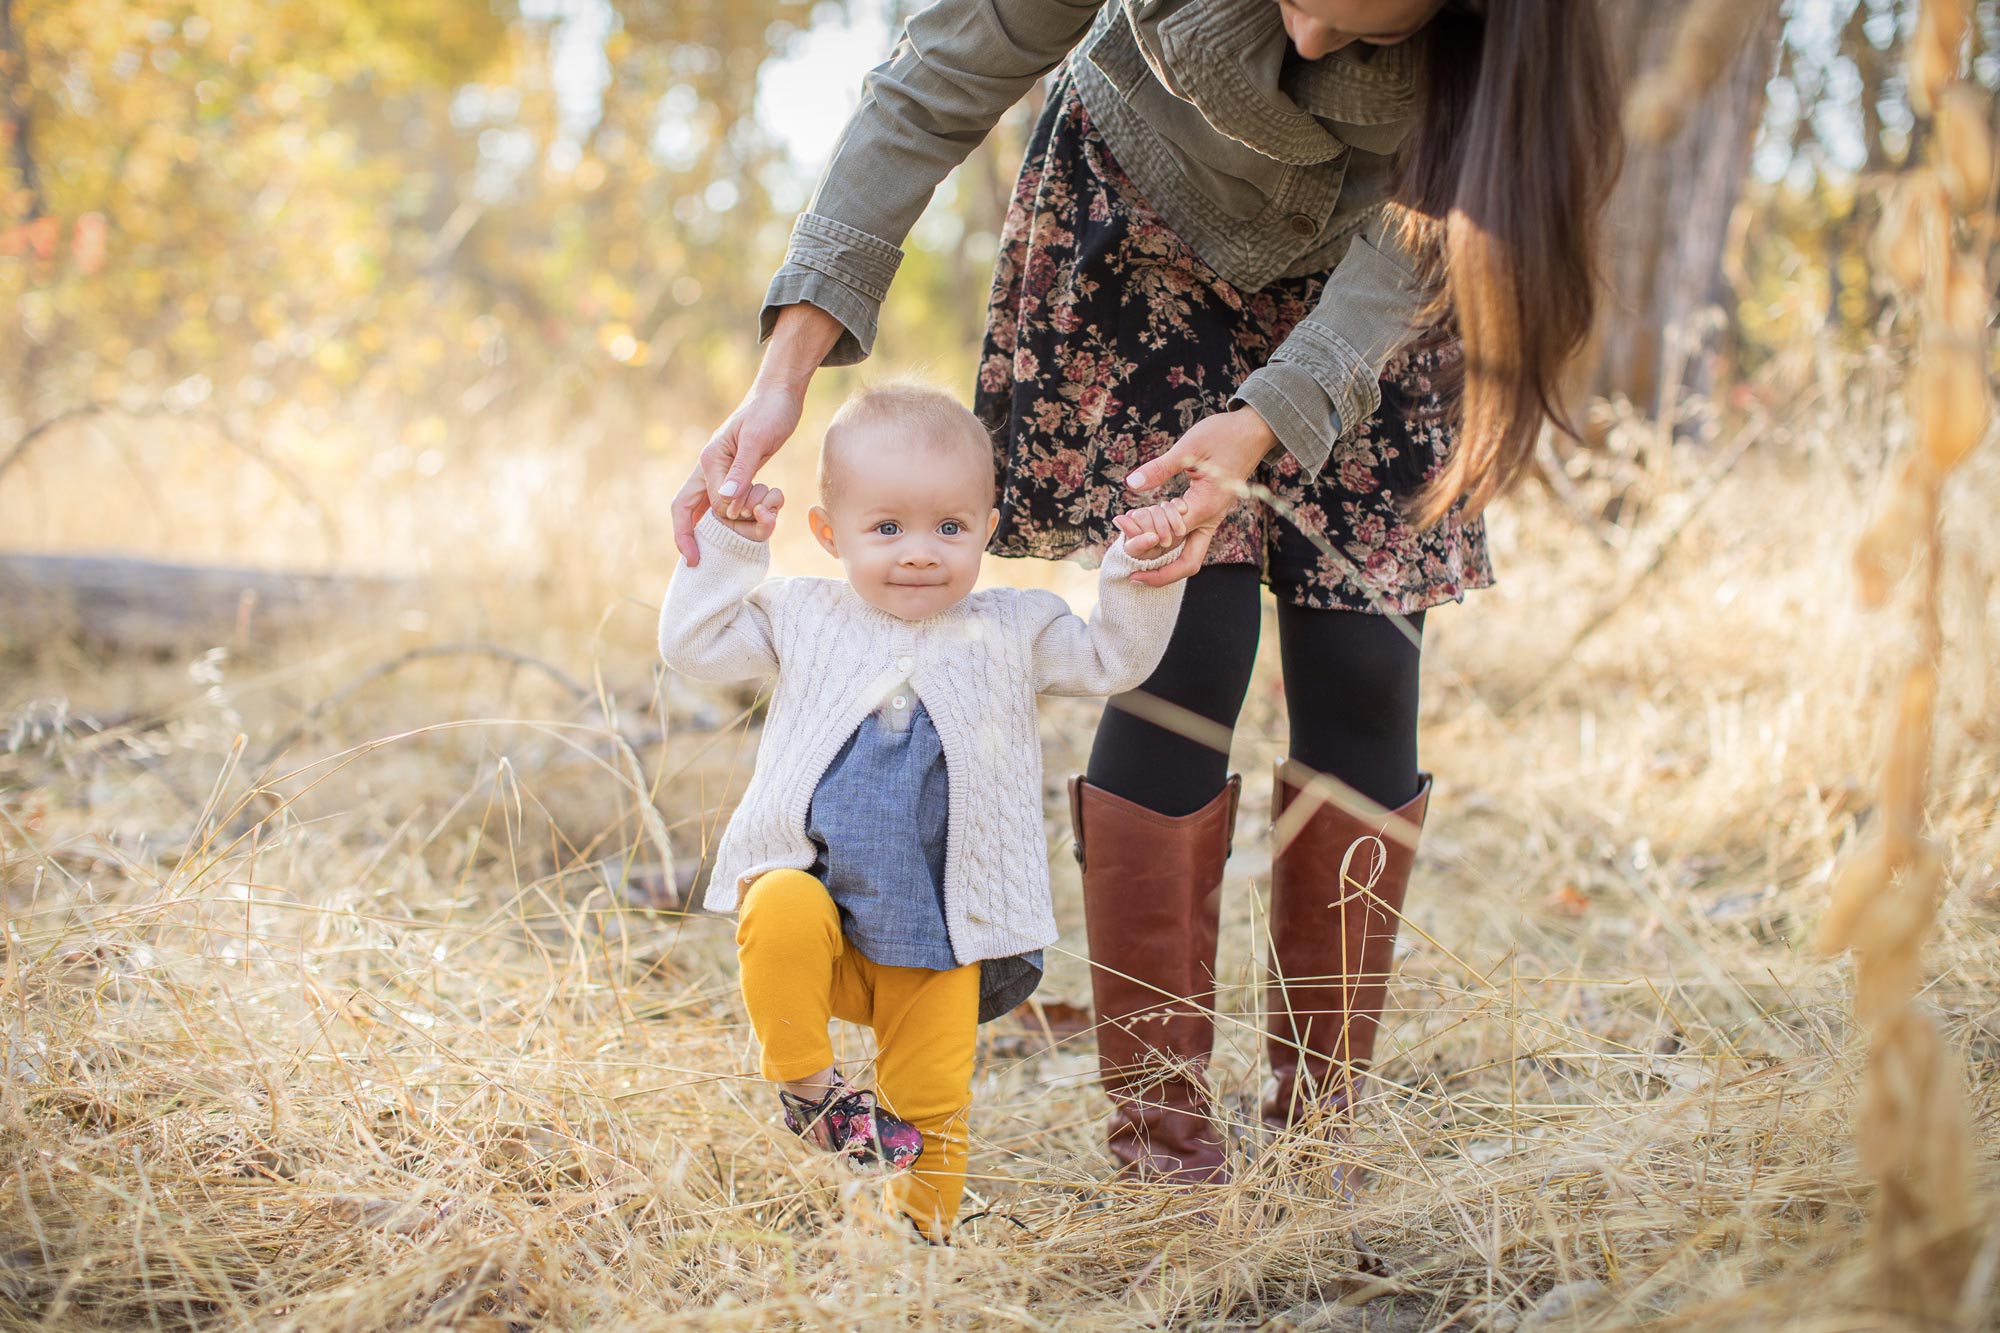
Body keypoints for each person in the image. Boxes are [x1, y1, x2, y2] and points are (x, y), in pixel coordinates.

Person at [670, 0, 1619, 1190]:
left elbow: (1425, 239)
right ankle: (1161, 1145)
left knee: (1366, 666)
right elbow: (933, 83)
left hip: (1377, 290)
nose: (1309, 41)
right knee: (1184, 647)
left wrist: (1268, 419)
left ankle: (1317, 1131)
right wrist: (784, 371)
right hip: (1140, 240)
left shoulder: (1518, 46)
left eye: (1362, 25)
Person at [659, 383, 1194, 1239]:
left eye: (950, 527)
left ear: (988, 527)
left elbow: (1112, 659)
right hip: (823, 914)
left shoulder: (1012, 628)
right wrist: (731, 544)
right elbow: (693, 646)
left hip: (942, 926)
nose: (919, 554)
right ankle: (808, 1086)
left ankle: (921, 1240)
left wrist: (1136, 569)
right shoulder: (803, 614)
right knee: (777, 905)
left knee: (931, 1099)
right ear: (828, 533)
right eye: (886, 528)